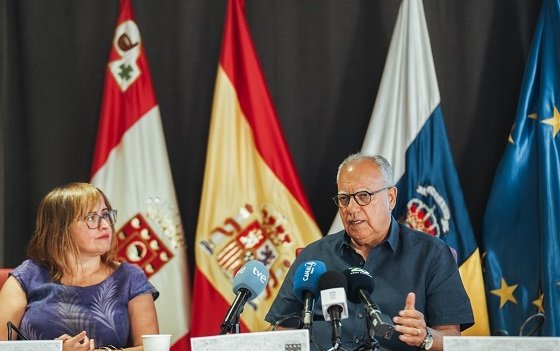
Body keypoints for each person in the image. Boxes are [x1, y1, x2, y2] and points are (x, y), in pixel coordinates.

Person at [265, 154, 474, 351]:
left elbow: (451, 339)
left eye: (363, 196)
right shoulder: (314, 257)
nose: (351, 208)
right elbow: (279, 330)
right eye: (344, 199)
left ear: (391, 198)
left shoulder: (431, 254)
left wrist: (425, 336)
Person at [0, 182, 159, 351]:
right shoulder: (27, 276)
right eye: (91, 218)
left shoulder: (130, 278)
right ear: (60, 229)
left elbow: (153, 348)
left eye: (105, 215)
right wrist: (54, 350)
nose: (105, 225)